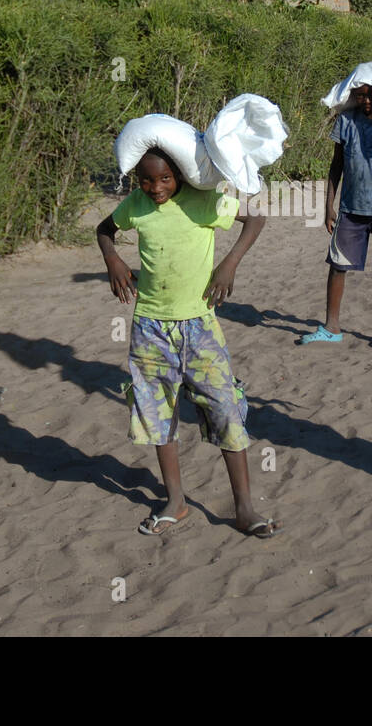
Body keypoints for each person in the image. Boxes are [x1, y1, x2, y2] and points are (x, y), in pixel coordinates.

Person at [96, 147, 279, 538]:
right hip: (150, 327)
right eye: (146, 180)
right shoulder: (136, 205)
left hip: (200, 327)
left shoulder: (206, 202)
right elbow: (104, 229)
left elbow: (256, 218)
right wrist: (113, 260)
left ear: (179, 174)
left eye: (164, 179)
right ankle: (175, 502)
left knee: (225, 408)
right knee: (157, 415)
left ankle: (244, 508)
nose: (155, 187)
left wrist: (229, 263)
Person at [300, 73, 372, 346]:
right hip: (351, 208)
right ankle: (332, 327)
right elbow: (337, 165)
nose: (366, 100)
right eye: (360, 95)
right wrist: (328, 205)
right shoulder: (346, 121)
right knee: (337, 266)